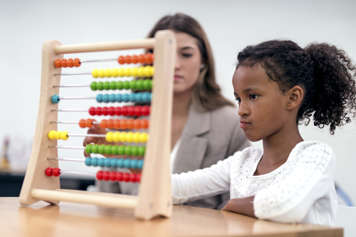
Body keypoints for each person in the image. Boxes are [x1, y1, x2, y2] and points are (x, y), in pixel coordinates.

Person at [172, 40, 356, 225]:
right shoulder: (242, 163)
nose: (241, 110)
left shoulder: (315, 156)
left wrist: (233, 204)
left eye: (253, 96)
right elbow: (177, 187)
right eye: (238, 99)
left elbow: (286, 207)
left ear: (293, 98)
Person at [84, 13, 250, 209]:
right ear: (149, 61)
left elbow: (234, 206)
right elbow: (106, 202)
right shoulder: (122, 123)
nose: (175, 65)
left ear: (203, 61)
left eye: (186, 54)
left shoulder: (231, 123)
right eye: (164, 55)